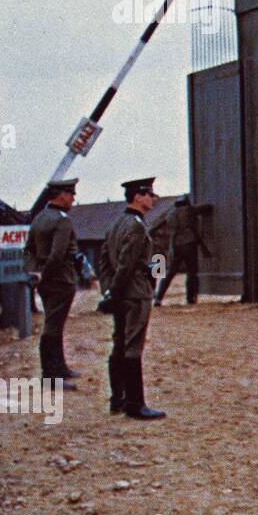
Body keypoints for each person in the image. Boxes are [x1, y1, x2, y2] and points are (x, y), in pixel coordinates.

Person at [97, 177, 164, 419]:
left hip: (123, 291)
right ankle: (135, 404)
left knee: (120, 344)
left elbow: (104, 260)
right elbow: (125, 265)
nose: (153, 198)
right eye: (149, 194)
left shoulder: (117, 224)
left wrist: (109, 290)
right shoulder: (136, 226)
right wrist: (116, 291)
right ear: (138, 197)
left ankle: (118, 399)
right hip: (135, 293)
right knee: (133, 346)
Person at [23, 178, 83, 390]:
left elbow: (29, 249)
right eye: (71, 194)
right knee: (53, 327)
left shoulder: (39, 218)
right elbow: (57, 256)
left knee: (54, 324)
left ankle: (60, 368)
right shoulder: (62, 221)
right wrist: (45, 274)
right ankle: (51, 377)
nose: (73, 198)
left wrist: (36, 273)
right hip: (61, 279)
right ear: (61, 195)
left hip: (46, 281)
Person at [152, 195, 212, 306]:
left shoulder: (170, 214)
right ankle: (190, 299)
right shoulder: (189, 209)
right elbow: (207, 207)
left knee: (170, 273)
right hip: (189, 243)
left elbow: (157, 224)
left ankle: (158, 298)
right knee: (191, 272)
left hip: (175, 245)